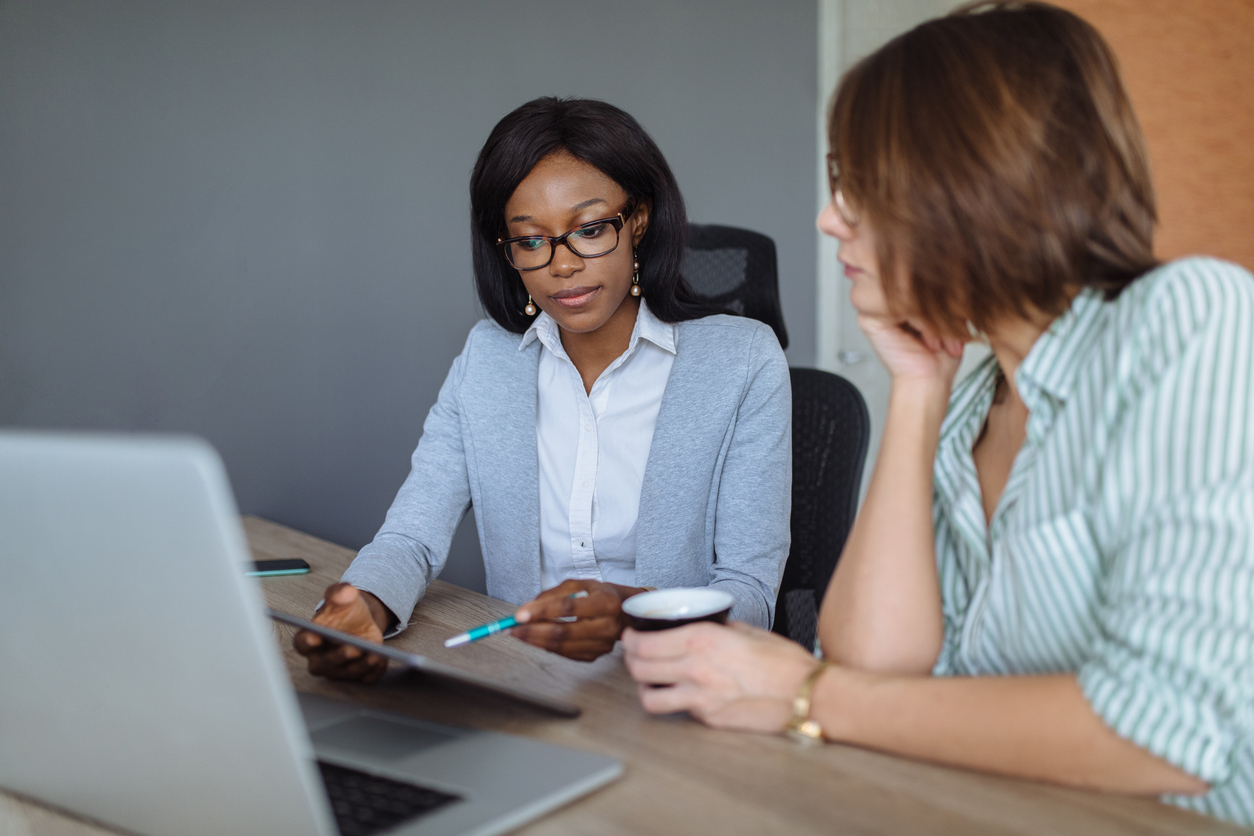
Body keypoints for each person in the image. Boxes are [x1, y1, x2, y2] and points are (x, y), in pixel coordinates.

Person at [622, 2, 1254, 826]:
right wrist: (919, 394)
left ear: (970, 181)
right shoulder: (976, 395)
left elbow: (1160, 732)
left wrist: (804, 692)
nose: (827, 217)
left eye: (855, 181)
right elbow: (879, 663)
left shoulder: (1194, 319)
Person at [294, 97, 791, 679]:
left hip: (676, 685)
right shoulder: (489, 360)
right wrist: (365, 607)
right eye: (531, 240)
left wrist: (633, 616)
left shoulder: (743, 360)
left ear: (638, 220)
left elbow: (750, 594)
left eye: (588, 229)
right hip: (525, 677)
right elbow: (410, 537)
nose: (562, 264)